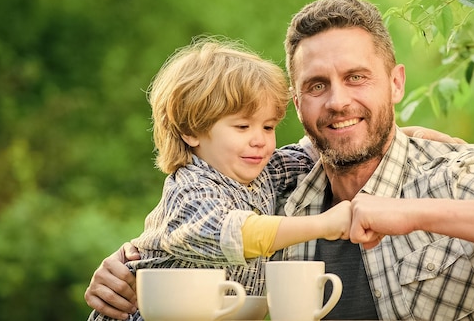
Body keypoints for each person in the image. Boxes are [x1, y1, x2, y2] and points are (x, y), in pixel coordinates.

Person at [86, 0, 474, 320]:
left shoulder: (450, 172)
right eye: (317, 85)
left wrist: (411, 212)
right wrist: (128, 262)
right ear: (296, 100)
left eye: (357, 78)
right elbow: (198, 215)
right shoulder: (280, 184)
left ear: (395, 83)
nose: (338, 101)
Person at [87, 38, 352, 321]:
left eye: (268, 126)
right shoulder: (190, 190)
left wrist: (401, 136)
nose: (259, 140)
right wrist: (324, 224)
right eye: (242, 126)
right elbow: (235, 234)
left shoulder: (265, 172)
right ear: (191, 131)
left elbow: (320, 149)